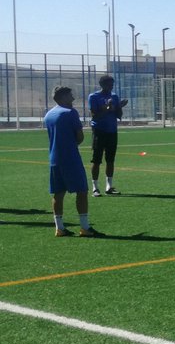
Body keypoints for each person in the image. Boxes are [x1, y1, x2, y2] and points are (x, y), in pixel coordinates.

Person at [45, 86, 102, 237]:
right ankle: (84, 227)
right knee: (82, 191)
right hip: (70, 158)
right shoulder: (70, 113)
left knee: (58, 193)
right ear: (63, 97)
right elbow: (80, 137)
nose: (73, 99)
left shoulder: (48, 115)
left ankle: (59, 228)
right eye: (70, 96)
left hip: (54, 159)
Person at [87, 74, 128, 196]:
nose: (111, 87)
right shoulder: (94, 97)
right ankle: (95, 187)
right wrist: (107, 107)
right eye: (109, 84)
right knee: (96, 160)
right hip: (99, 131)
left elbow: (118, 116)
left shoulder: (114, 96)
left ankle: (109, 186)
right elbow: (95, 114)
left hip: (112, 131)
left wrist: (119, 106)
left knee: (110, 160)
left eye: (112, 84)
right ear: (102, 85)